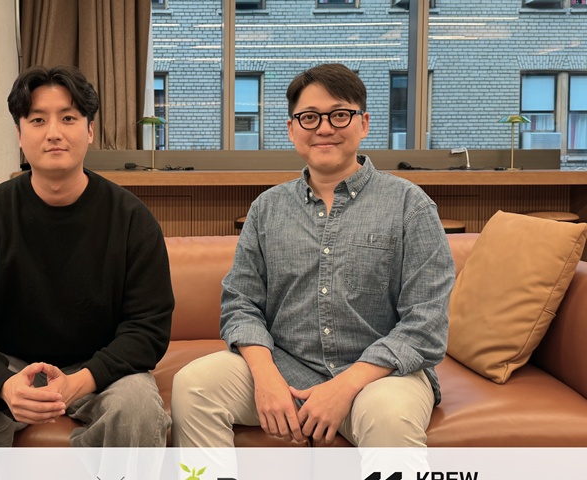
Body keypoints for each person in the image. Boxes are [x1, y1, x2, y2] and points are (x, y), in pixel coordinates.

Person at [171, 63, 456, 448]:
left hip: (381, 377)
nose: (323, 128)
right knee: (194, 385)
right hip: (285, 366)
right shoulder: (267, 209)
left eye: (339, 115)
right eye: (309, 117)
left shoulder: (410, 206)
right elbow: (241, 304)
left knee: (389, 417)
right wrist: (266, 377)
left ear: (364, 123)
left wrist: (344, 387)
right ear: (292, 129)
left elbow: (426, 323)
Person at [0, 65, 175, 448]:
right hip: (7, 366)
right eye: (38, 120)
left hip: (100, 370)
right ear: (19, 134)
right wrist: (4, 385)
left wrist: (81, 381)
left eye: (68, 118)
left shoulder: (131, 220)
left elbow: (148, 328)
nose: (53, 132)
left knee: (138, 407)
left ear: (89, 130)